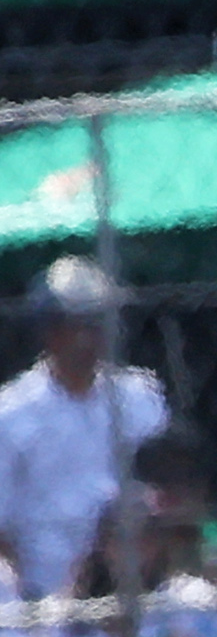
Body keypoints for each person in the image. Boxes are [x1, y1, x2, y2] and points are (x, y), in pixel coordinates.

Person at [0, 259, 166, 618]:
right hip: (47, 602)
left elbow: (168, 497)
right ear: (49, 330)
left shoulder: (140, 396)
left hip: (139, 590)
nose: (90, 336)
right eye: (78, 324)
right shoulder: (12, 412)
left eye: (98, 322)